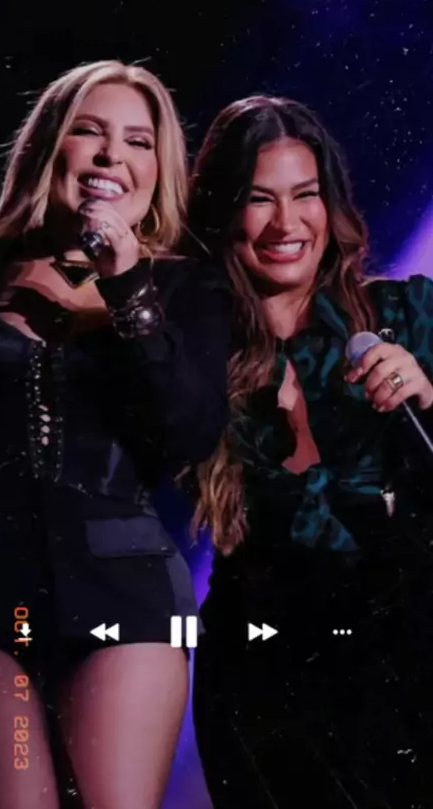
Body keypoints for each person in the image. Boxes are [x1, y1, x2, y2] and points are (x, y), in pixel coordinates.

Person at [0, 60, 230, 809]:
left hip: (124, 591)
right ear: (50, 146)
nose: (112, 155)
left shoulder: (184, 286)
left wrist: (129, 286)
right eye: (90, 131)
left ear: (158, 169)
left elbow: (190, 434)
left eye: (139, 141)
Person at [185, 95, 433, 808]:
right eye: (259, 198)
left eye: (306, 194)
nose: (287, 224)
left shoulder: (405, 315)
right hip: (265, 670)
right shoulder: (193, 351)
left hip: (407, 658)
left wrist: (430, 397)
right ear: (224, 210)